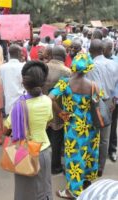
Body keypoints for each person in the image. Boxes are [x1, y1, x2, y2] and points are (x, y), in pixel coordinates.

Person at [50, 53, 99, 199]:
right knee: (88, 153)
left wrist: (60, 112)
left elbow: (50, 97)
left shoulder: (65, 83)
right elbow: (97, 103)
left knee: (74, 156)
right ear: (87, 68)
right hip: (90, 126)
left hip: (73, 126)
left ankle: (72, 191)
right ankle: (86, 183)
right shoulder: (93, 86)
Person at [4, 61, 52, 200]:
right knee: (44, 188)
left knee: (25, 192)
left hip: (24, 152)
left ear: (24, 83)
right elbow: (48, 121)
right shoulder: (47, 101)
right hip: (44, 150)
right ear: (43, 83)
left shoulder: (18, 106)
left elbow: (7, 128)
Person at [87, 39, 118, 176]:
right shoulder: (113, 64)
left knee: (92, 134)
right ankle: (100, 167)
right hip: (109, 101)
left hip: (95, 103)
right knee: (105, 138)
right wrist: (114, 100)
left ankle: (92, 165)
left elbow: (92, 89)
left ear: (91, 51)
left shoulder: (91, 65)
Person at [42, 45, 71, 175]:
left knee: (44, 137)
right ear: (64, 56)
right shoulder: (67, 71)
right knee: (56, 139)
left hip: (42, 108)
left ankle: (44, 164)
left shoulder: (43, 67)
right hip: (58, 109)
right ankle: (55, 167)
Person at [103, 39, 118, 162]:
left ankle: (112, 150)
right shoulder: (97, 61)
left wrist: (114, 99)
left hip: (113, 100)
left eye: (109, 47)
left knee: (113, 126)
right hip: (100, 100)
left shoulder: (116, 61)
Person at [0, 44, 25, 115]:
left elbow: (1, 83)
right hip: (22, 102)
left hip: (9, 102)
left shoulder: (2, 67)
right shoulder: (23, 66)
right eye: (21, 52)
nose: (22, 54)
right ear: (19, 53)